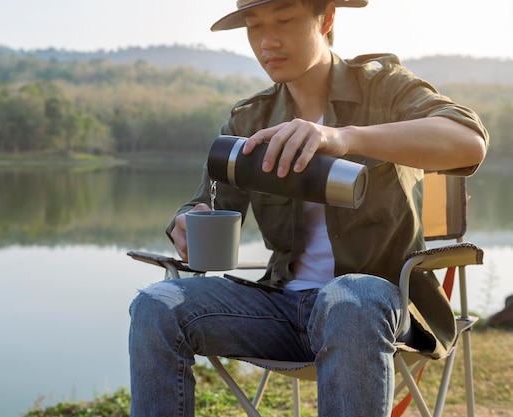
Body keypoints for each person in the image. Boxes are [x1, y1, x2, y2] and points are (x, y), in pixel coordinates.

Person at [128, 0, 489, 416]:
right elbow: (209, 199)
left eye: (284, 20)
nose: (267, 41)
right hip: (281, 309)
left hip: (378, 308)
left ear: (327, 18)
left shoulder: (382, 87)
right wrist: (187, 220)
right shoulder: (251, 120)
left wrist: (345, 137)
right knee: (157, 306)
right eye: (254, 26)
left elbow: (468, 141)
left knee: (351, 295)